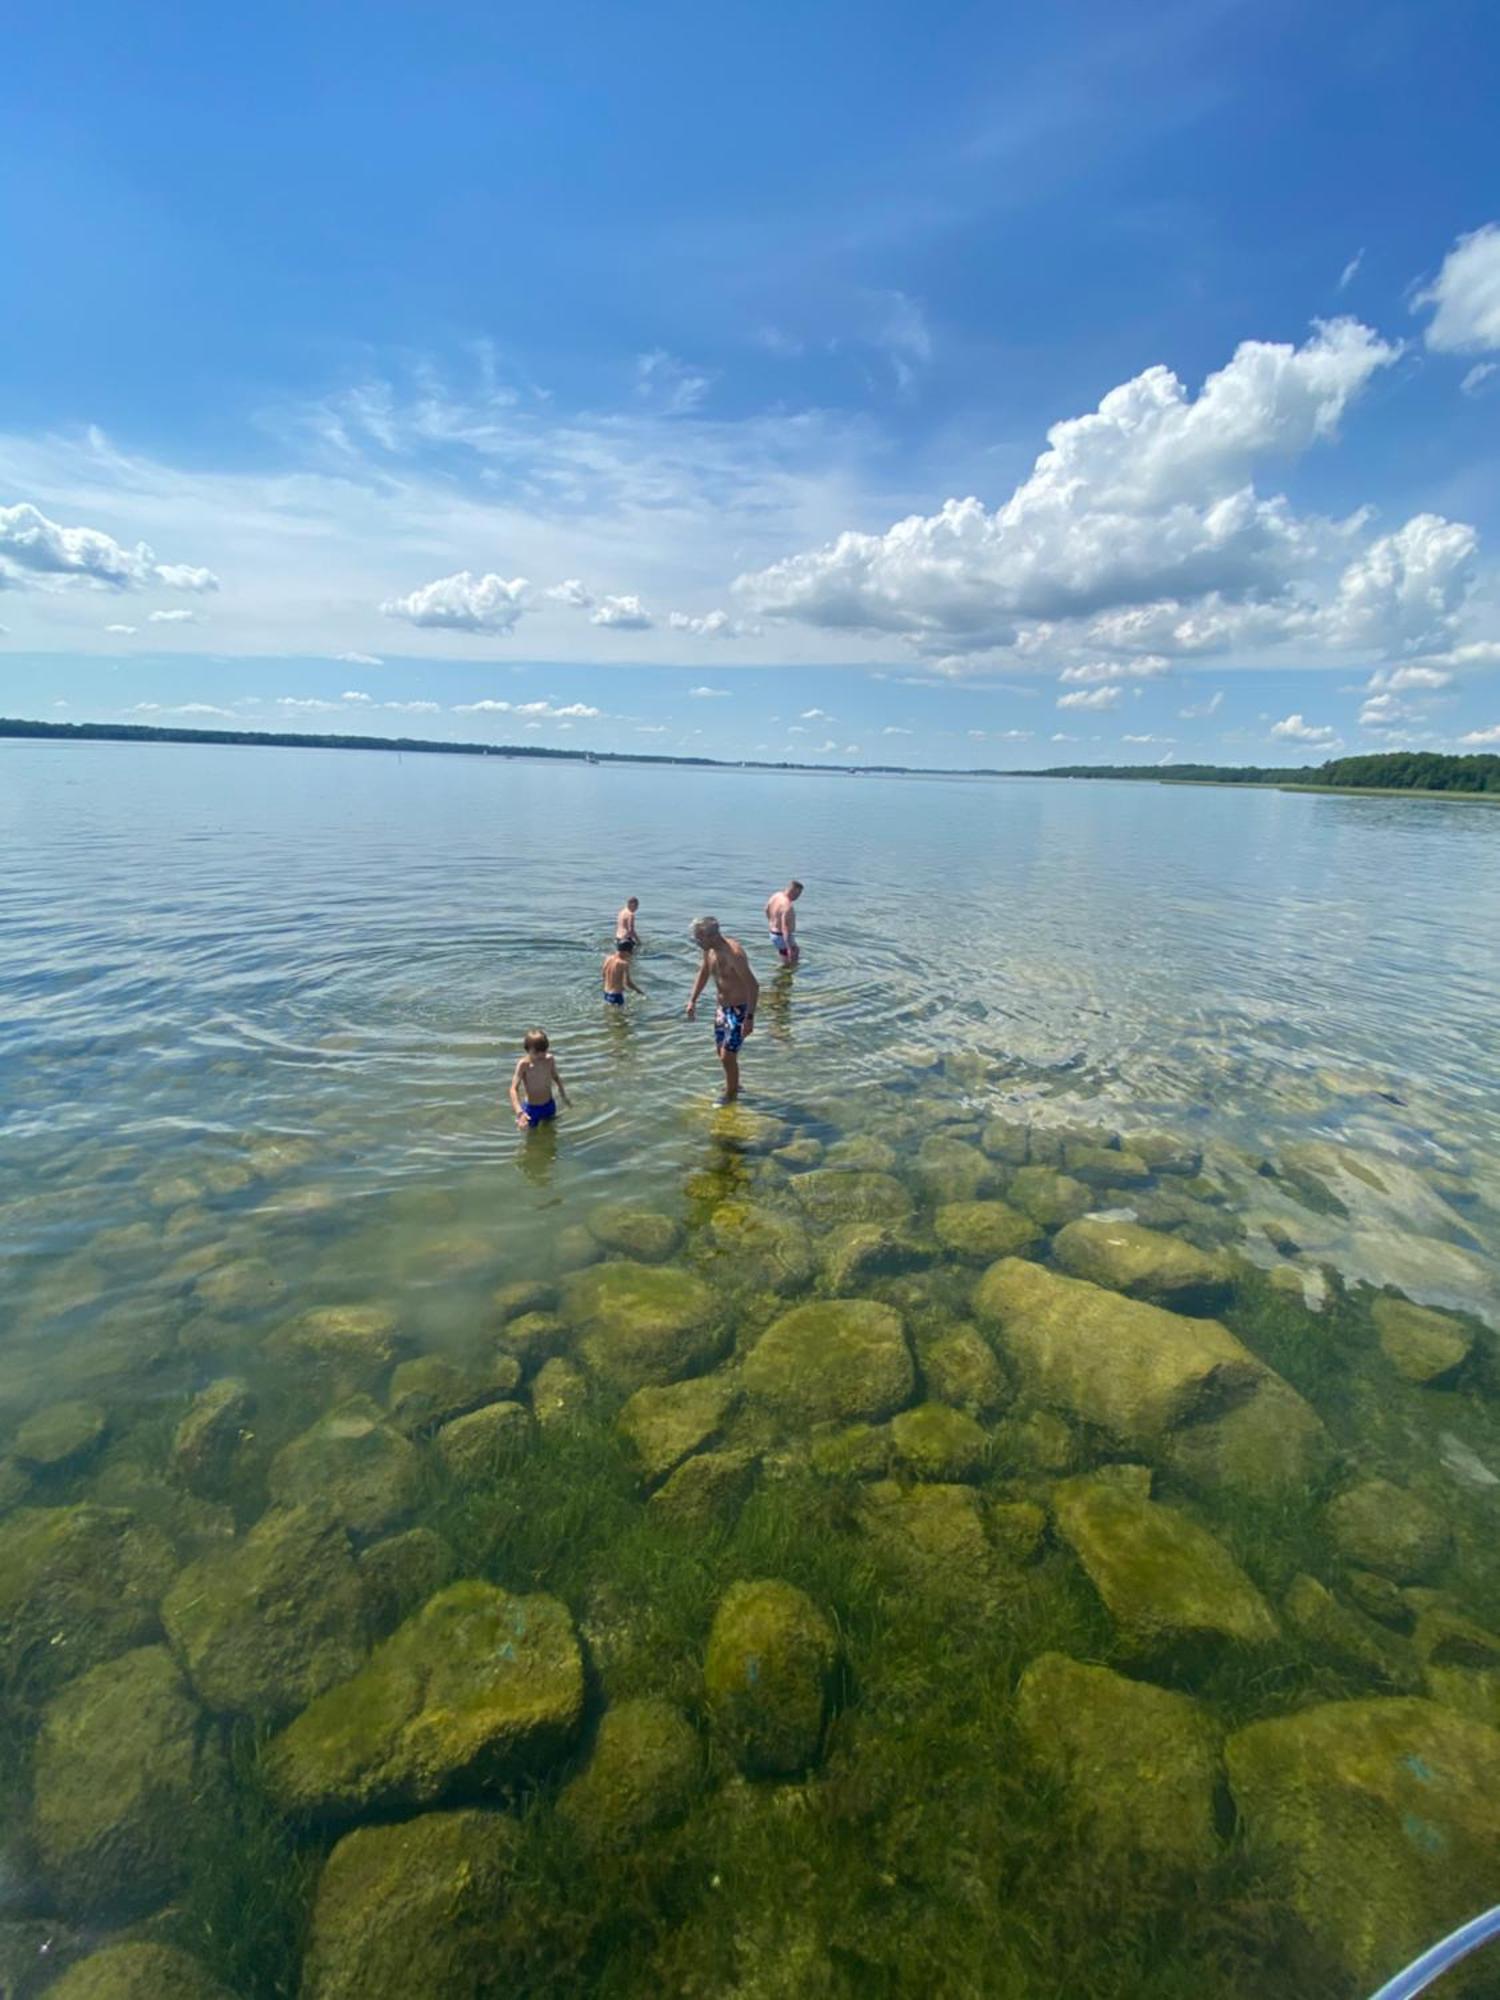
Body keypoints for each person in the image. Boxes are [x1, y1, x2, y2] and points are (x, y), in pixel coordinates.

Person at [685, 915, 759, 1101]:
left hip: (739, 1010)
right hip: (722, 1008)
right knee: (721, 1052)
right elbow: (703, 972)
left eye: (698, 938)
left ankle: (730, 1095)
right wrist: (693, 1000)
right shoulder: (708, 950)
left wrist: (749, 1017)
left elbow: (753, 985)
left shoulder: (734, 954)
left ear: (711, 936)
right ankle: (735, 1084)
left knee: (728, 1055)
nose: (696, 941)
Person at [508, 1027, 571, 1131]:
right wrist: (519, 1112)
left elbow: (556, 1077)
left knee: (550, 1132)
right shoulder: (524, 1065)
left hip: (549, 1105)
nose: (541, 1055)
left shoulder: (549, 1060)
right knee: (530, 1135)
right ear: (527, 1050)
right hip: (531, 1108)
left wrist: (564, 1096)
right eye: (537, 1052)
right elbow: (513, 1089)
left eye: (544, 1051)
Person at [764, 879, 804, 965]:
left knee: (794, 951)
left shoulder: (776, 895)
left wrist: (771, 922)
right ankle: (785, 973)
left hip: (773, 933)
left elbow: (766, 909)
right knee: (790, 962)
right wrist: (788, 947)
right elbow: (784, 927)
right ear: (792, 891)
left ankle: (783, 966)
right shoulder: (787, 906)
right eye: (798, 894)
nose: (798, 897)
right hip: (782, 936)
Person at [602, 936, 642, 1008]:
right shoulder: (623, 963)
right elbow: (628, 982)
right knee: (622, 1017)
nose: (630, 955)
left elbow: (603, 974)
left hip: (606, 992)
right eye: (630, 953)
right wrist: (639, 991)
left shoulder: (608, 958)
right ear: (626, 951)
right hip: (616, 995)